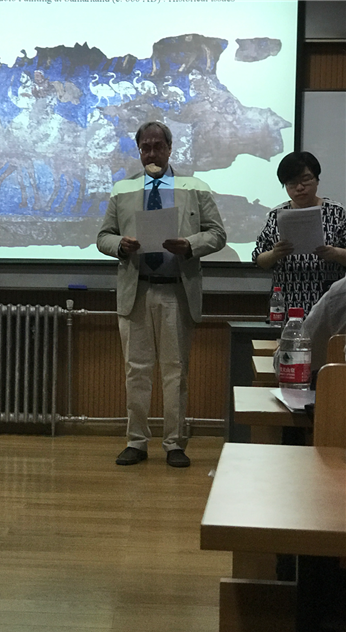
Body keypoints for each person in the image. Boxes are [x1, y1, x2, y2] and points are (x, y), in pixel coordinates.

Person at [97, 121, 226, 467]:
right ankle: (136, 441)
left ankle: (174, 443)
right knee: (136, 370)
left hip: (176, 291)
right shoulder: (123, 189)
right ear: (139, 151)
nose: (152, 153)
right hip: (136, 290)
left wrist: (190, 245)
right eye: (145, 147)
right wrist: (120, 245)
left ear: (170, 148)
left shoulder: (194, 188)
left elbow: (217, 234)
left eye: (158, 146)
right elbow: (103, 236)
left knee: (175, 370)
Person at [253, 151, 346, 315]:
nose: (300, 187)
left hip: (329, 302)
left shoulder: (337, 212)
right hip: (287, 300)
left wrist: (335, 253)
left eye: (306, 179)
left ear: (317, 180)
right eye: (292, 183)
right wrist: (275, 254)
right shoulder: (276, 215)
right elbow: (259, 259)